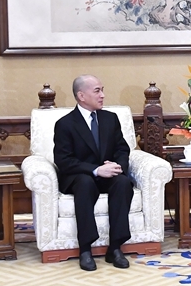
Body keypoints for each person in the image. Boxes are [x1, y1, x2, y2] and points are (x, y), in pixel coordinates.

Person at [53, 74, 133, 271]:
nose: (102, 95)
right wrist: (96, 170)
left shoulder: (110, 119)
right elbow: (64, 161)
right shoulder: (65, 124)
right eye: (97, 91)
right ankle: (85, 249)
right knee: (85, 183)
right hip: (80, 175)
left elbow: (122, 149)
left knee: (123, 183)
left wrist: (117, 165)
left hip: (108, 173)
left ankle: (115, 248)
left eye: (102, 90)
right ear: (81, 96)